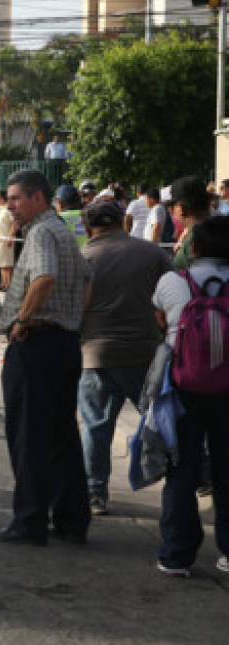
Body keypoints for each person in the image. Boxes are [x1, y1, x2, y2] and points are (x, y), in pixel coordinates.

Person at [0, 169, 92, 546]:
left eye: (16, 198)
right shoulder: (63, 230)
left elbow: (44, 278)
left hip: (38, 343)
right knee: (61, 435)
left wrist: (23, 321)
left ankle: (29, 522)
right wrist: (72, 321)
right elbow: (86, 281)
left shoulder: (42, 232)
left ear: (37, 198)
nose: (10, 206)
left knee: (29, 437)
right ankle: (70, 519)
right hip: (63, 342)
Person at [77, 200, 172, 517]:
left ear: (89, 227)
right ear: (123, 221)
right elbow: (172, 298)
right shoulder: (152, 253)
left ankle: (95, 493)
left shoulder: (83, 257)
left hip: (96, 355)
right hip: (144, 354)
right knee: (162, 421)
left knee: (96, 428)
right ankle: (184, 479)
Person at [150, 215, 229, 577]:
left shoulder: (173, 280)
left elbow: (161, 319)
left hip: (182, 386)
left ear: (192, 247)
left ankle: (177, 554)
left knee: (181, 469)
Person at [170, 175, 213, 270]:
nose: (171, 212)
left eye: (172, 206)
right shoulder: (218, 230)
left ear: (180, 208)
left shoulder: (195, 238)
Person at [0, 190, 16, 290]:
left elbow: (15, 223)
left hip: (6, 240)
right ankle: (4, 283)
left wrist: (10, 237)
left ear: (2, 198)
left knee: (7, 263)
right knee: (1, 263)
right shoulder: (0, 209)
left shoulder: (8, 210)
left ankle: (9, 284)